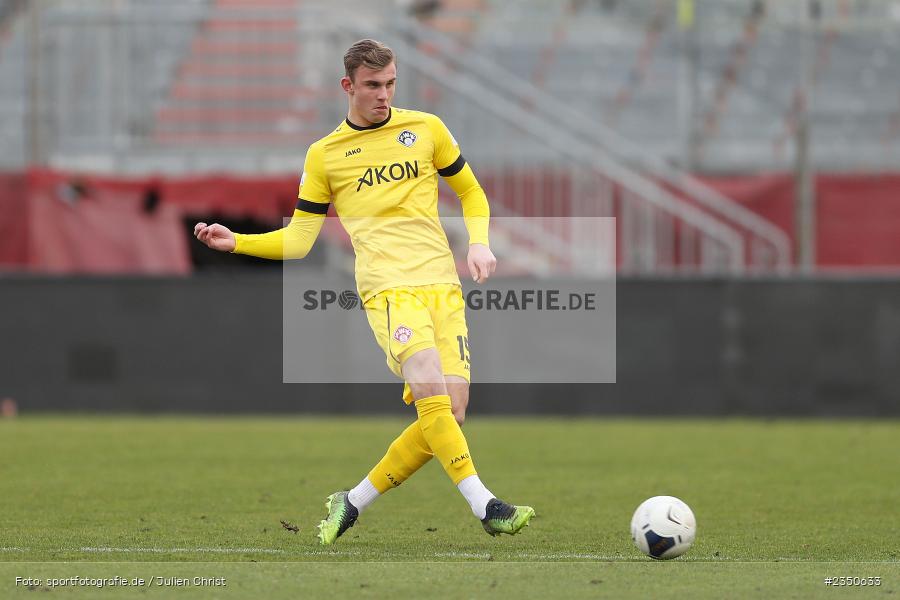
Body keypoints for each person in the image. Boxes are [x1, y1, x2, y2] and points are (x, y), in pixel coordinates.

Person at [194, 39, 534, 545]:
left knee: (450, 412)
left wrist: (479, 244)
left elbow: (470, 191)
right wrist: (237, 241)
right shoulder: (326, 155)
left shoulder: (426, 129)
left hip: (441, 282)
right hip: (388, 287)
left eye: (391, 83)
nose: (384, 94)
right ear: (347, 86)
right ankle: (486, 505)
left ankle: (351, 502)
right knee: (429, 392)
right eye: (373, 85)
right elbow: (299, 239)